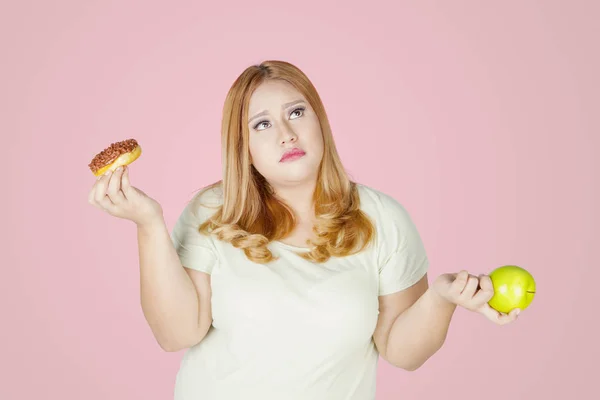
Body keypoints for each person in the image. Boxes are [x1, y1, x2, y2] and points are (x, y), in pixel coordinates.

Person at [87, 60, 520, 400]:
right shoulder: (210, 211)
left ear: (320, 123)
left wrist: (441, 298)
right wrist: (149, 225)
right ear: (246, 148)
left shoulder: (383, 218)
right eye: (262, 124)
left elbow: (401, 352)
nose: (287, 133)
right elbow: (176, 334)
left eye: (297, 112)